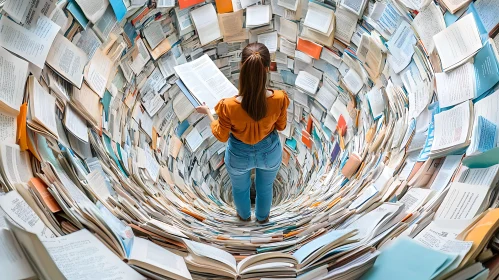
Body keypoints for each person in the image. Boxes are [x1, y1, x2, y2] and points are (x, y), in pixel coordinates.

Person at [195, 43, 290, 223]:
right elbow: (281, 126)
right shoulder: (279, 98)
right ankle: (262, 219)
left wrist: (208, 112)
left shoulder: (228, 106)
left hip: (239, 155)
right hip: (270, 152)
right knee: (265, 187)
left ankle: (244, 217)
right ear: (268, 68)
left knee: (240, 189)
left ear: (241, 67)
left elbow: (222, 135)